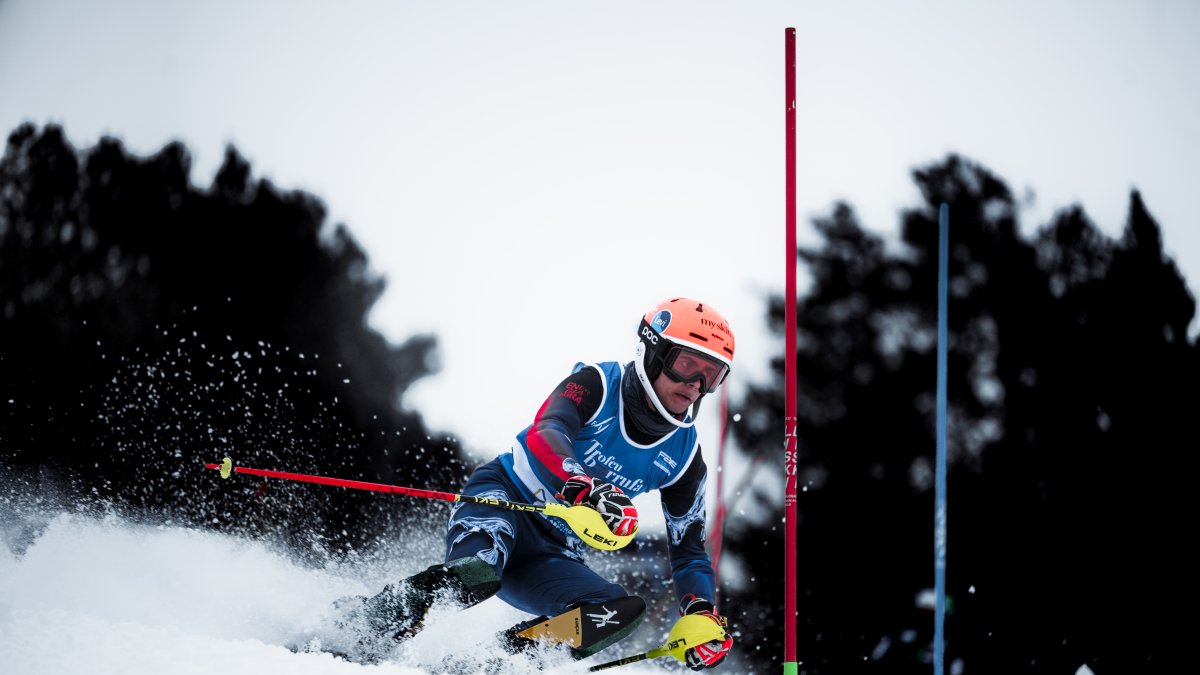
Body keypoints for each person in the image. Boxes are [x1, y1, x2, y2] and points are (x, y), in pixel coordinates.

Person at [331, 297, 735, 670]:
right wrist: (581, 483)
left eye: (711, 375)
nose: (695, 385)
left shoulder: (684, 457)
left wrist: (701, 614)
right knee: (476, 572)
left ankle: (486, 665)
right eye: (686, 365)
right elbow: (548, 428)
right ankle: (359, 626)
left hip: (552, 553)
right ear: (652, 352)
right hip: (503, 500)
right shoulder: (598, 383)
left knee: (617, 610)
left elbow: (688, 549)